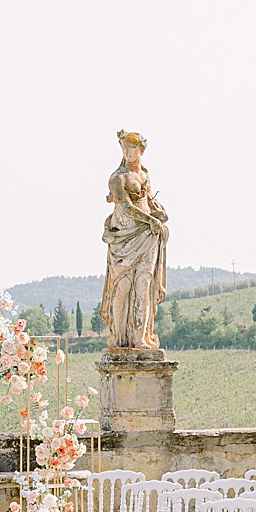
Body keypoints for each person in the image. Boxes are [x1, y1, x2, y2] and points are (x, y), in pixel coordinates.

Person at [97, 129, 168, 349]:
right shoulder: (117, 178)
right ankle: (120, 338)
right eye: (125, 147)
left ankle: (140, 338)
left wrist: (158, 213)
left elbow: (148, 199)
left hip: (146, 236)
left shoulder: (145, 176)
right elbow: (126, 208)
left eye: (132, 147)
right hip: (125, 237)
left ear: (141, 150)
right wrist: (151, 221)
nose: (128, 152)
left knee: (144, 285)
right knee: (123, 285)